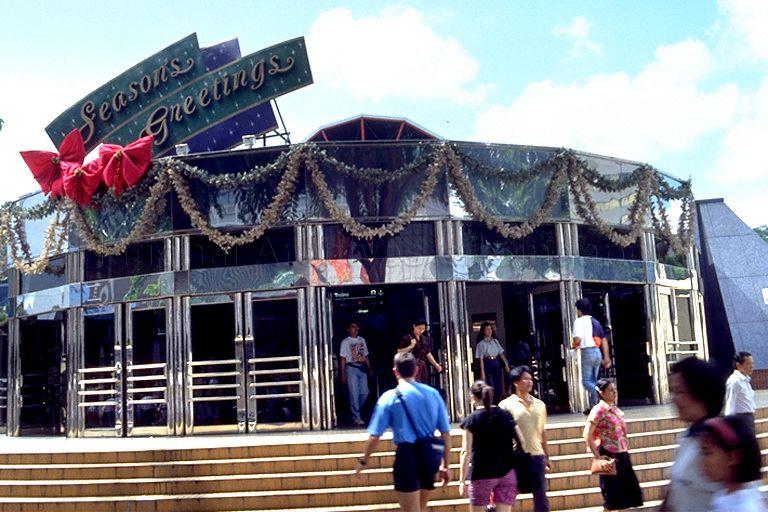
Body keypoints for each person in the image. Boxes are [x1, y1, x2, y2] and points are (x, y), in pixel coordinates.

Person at [355, 352, 451, 512]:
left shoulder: (389, 397)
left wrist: (363, 460)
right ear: (416, 369)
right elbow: (446, 433)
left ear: (395, 371)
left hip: (406, 455)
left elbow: (375, 436)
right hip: (429, 455)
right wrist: (446, 465)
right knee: (421, 507)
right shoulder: (433, 394)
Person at [661, 356, 726, 511]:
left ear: (701, 395)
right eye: (672, 391)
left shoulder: (721, 445)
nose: (673, 399)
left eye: (679, 392)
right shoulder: (688, 436)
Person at [583, 378, 643, 511]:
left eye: (615, 390)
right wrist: (598, 457)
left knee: (623, 495)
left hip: (622, 454)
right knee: (612, 496)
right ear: (601, 393)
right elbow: (587, 434)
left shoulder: (614, 409)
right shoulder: (599, 410)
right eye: (610, 390)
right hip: (609, 455)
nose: (614, 393)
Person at [459, 380, 519, 512]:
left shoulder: (472, 420)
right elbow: (522, 441)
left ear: (473, 398)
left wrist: (461, 480)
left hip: (482, 474)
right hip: (507, 472)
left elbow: (466, 452)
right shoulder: (506, 415)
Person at [499, 366, 551, 512]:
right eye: (525, 379)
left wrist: (547, 456)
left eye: (531, 379)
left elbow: (543, 432)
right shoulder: (505, 405)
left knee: (541, 496)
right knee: (508, 495)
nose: (530, 382)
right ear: (516, 382)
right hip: (515, 457)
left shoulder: (540, 405)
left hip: (536, 455)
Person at [696, 415, 766, 512]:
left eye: (707, 453)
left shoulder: (744, 507)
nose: (702, 461)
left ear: (732, 457)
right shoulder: (724, 495)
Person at [571, 298, 611, 412]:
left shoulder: (578, 321)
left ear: (579, 310)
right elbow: (604, 340)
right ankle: (595, 407)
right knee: (594, 381)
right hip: (597, 352)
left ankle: (602, 395)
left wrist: (573, 347)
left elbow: (577, 339)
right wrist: (606, 357)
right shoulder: (596, 322)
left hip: (587, 352)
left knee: (586, 382)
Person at [339, 321, 372, 426]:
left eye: (357, 327)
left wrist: (370, 368)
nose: (356, 329)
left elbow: (366, 355)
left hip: (361, 367)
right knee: (354, 393)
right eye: (353, 327)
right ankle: (356, 417)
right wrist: (343, 373)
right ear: (348, 329)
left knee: (364, 393)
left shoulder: (362, 340)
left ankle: (354, 410)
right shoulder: (345, 342)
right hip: (351, 367)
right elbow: (343, 358)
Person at [398, 319, 443, 385]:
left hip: (422, 364)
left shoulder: (425, 339)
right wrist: (411, 346)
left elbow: (427, 353)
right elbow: (399, 351)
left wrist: (436, 365)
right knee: (414, 383)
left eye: (423, 329)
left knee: (424, 383)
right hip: (412, 363)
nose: (421, 331)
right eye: (419, 328)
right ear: (414, 326)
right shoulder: (407, 338)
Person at [474, 322, 510, 402]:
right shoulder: (481, 344)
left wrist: (506, 364)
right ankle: (493, 402)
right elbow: (481, 359)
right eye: (487, 329)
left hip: (496, 362)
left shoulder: (495, 341)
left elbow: (501, 354)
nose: (489, 331)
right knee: (490, 384)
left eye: (490, 329)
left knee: (499, 383)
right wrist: (482, 372)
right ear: (483, 331)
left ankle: (499, 400)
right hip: (488, 363)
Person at [725, 351, 756, 433]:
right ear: (739, 365)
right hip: (740, 420)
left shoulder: (745, 380)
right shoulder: (735, 382)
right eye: (748, 364)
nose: (752, 366)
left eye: (752, 364)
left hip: (749, 418)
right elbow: (730, 403)